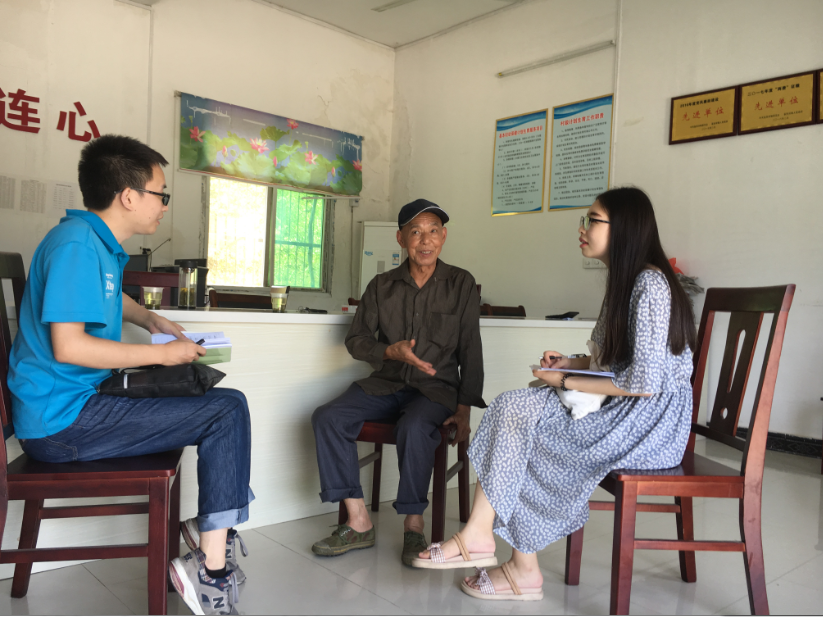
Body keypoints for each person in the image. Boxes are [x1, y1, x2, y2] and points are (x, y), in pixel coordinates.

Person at [411, 187, 696, 602]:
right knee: (514, 406)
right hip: (629, 410)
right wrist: (570, 363)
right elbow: (615, 361)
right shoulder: (627, 281)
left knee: (529, 429)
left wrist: (565, 382)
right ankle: (485, 538)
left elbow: (644, 382)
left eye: (592, 220)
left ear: (624, 228)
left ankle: (515, 563)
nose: (582, 228)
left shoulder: (649, 284)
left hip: (650, 425)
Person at [8, 135, 253, 616]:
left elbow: (105, 296)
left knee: (227, 403)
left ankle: (210, 535)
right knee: (225, 411)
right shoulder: (76, 247)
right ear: (128, 196)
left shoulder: (92, 243)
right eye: (161, 194)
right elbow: (70, 346)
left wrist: (150, 319)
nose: (164, 205)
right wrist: (163, 356)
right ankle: (210, 566)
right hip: (61, 423)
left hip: (75, 405)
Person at [310, 198, 486, 565]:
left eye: (433, 231)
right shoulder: (381, 286)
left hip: (435, 390)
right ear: (401, 238)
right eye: (416, 232)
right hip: (386, 384)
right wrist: (390, 351)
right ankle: (358, 521)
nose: (425, 240)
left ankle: (413, 524)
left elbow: (471, 347)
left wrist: (464, 409)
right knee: (328, 417)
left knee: (415, 426)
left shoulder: (461, 283)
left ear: (443, 237)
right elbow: (356, 340)